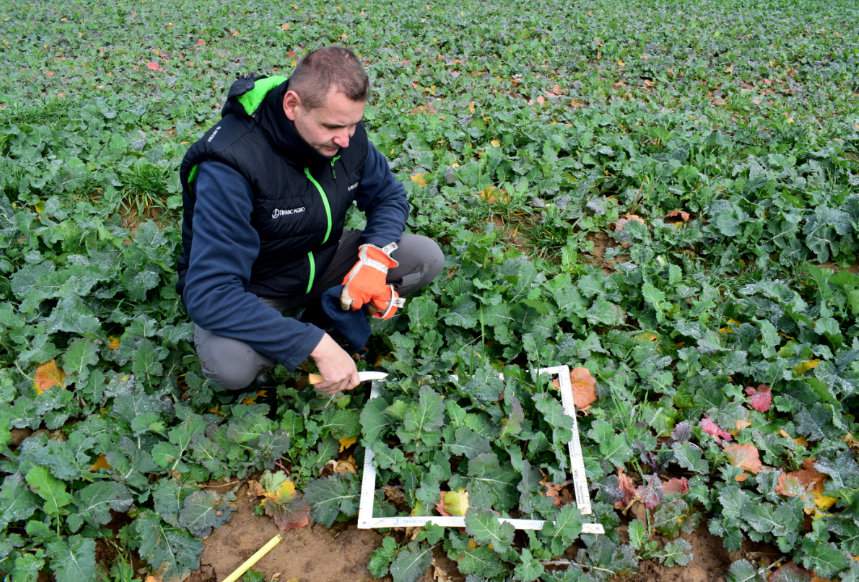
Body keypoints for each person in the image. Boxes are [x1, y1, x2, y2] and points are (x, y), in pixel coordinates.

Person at [177, 46, 444, 396]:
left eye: (354, 124)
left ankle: (323, 310)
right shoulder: (230, 163)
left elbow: (388, 196)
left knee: (425, 258)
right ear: (292, 105)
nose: (345, 139)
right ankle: (306, 331)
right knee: (231, 365)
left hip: (322, 257)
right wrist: (315, 344)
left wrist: (374, 258)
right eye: (333, 126)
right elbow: (210, 292)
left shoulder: (345, 136)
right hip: (256, 287)